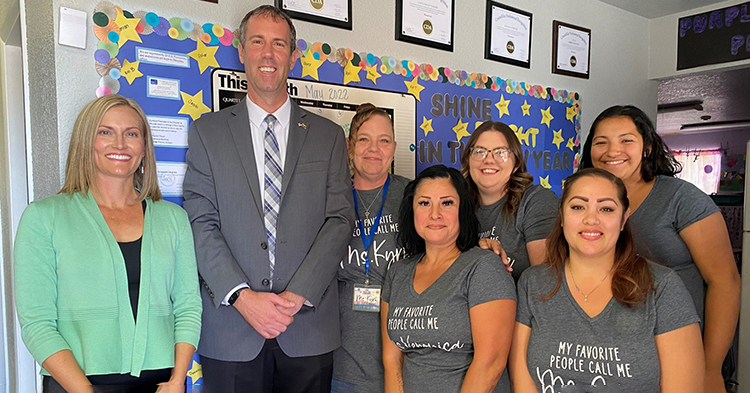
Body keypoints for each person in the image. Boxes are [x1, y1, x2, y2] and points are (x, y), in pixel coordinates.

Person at [182, 5, 355, 393]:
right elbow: (199, 221)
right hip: (232, 329)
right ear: (241, 50)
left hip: (307, 327)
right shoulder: (207, 133)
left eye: (279, 44)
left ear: (293, 56)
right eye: (257, 41)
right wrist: (242, 298)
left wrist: (298, 295)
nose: (268, 53)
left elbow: (340, 219)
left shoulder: (327, 137)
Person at [14, 95, 201, 393]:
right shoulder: (44, 218)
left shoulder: (174, 219)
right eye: (105, 132)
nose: (120, 144)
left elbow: (189, 306)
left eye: (131, 134)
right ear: (86, 142)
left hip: (162, 384)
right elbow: (37, 324)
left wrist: (179, 379)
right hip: (76, 385)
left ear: (143, 148)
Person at [579, 105, 739, 392]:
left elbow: (725, 281)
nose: (612, 151)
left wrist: (710, 366)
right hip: (619, 356)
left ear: (648, 147)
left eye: (626, 140)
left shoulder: (681, 199)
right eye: (601, 141)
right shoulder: (585, 203)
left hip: (683, 349)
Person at [509, 168, 704, 392]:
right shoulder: (532, 283)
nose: (591, 218)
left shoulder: (662, 287)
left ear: (623, 219)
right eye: (578, 207)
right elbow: (523, 383)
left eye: (606, 208)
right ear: (562, 217)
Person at [381, 165, 517, 393]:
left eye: (447, 203)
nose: (435, 214)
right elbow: (392, 360)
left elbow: (490, 363)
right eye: (424, 203)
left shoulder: (483, 266)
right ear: (412, 210)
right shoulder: (398, 272)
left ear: (462, 209)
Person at [333, 104, 410, 393]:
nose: (373, 149)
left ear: (394, 148)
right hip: (342, 360)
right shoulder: (331, 194)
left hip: (405, 358)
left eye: (384, 140)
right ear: (350, 146)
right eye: (364, 139)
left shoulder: (414, 196)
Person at [461, 121, 558, 279]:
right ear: (468, 160)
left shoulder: (537, 201)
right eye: (479, 151)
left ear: (516, 163)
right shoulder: (456, 206)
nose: (489, 160)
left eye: (500, 152)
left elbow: (544, 282)